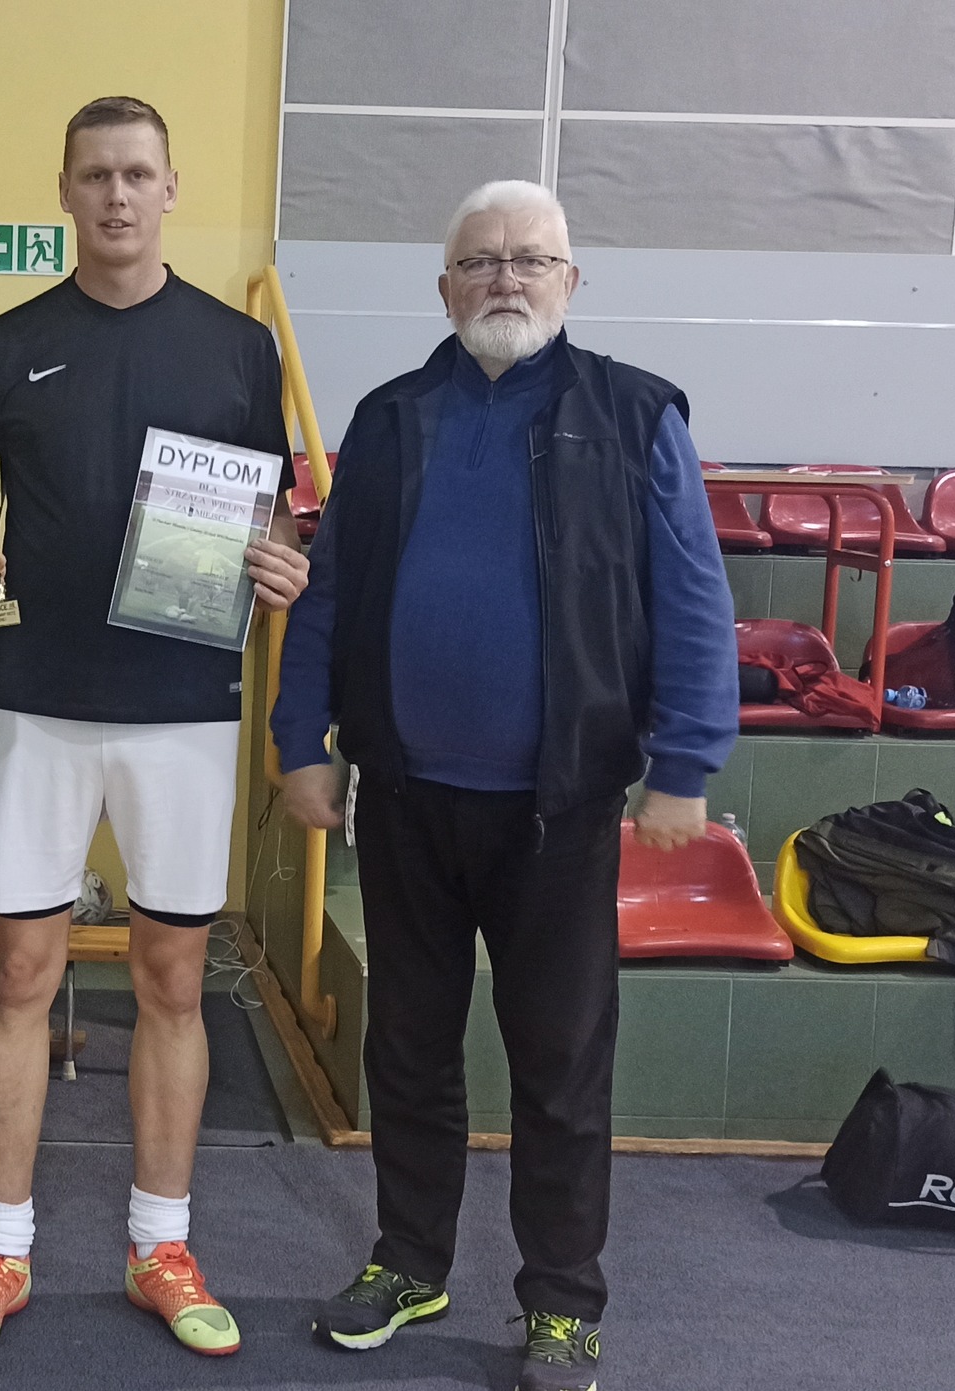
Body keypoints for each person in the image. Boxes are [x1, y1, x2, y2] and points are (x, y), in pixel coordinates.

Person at [271, 180, 740, 1391]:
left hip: (558, 810)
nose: (504, 279)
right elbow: (328, 595)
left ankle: (562, 1302)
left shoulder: (633, 415)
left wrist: (684, 761)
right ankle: (408, 1259)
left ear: (569, 282)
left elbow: (692, 597)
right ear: (444, 288)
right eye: (479, 261)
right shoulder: (388, 418)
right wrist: (297, 739)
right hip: (403, 795)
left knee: (558, 1064)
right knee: (406, 1051)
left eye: (529, 259)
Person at [0, 96, 308, 1360]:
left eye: (137, 173)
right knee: (17, 976)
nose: (116, 195)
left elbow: (272, 513)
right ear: (64, 190)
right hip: (36, 699)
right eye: (94, 175)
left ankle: (160, 1243)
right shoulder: (1, 343)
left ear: (169, 188)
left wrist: (281, 561)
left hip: (183, 708)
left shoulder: (237, 348)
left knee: (171, 979)